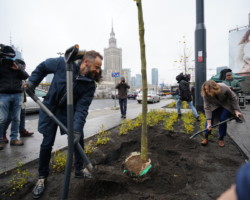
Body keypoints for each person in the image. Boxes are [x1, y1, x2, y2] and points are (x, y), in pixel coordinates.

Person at [28, 49, 103, 199]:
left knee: (78, 139)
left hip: (68, 113)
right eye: (97, 66)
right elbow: (43, 66)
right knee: (47, 143)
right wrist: (32, 82)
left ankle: (79, 170)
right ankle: (42, 177)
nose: (98, 70)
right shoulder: (63, 64)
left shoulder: (89, 84)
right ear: (86, 62)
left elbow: (82, 109)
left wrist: (75, 130)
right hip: (50, 108)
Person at [0, 44, 29, 150]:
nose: (9, 59)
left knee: (16, 118)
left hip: (17, 94)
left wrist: (18, 69)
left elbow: (26, 76)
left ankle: (14, 138)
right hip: (3, 95)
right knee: (2, 119)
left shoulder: (17, 65)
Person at [200, 80, 242, 147]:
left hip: (226, 104)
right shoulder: (206, 94)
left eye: (207, 89)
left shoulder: (224, 88)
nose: (206, 91)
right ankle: (206, 137)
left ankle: (221, 138)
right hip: (215, 105)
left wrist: (236, 110)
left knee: (223, 119)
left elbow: (233, 98)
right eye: (205, 89)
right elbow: (207, 108)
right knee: (210, 118)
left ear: (213, 88)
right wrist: (209, 123)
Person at [3, 59, 34, 144]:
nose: (23, 68)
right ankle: (3, 135)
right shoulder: (4, 69)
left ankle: (17, 135)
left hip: (19, 97)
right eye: (23, 67)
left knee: (19, 117)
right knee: (6, 118)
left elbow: (26, 77)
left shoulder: (19, 71)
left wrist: (19, 69)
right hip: (6, 96)